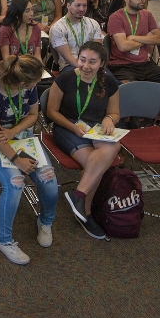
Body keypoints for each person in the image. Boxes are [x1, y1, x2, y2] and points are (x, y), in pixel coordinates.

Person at [0, 54, 57, 264]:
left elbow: (32, 115)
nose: (38, 84)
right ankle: (4, 240)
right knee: (15, 183)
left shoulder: (28, 88)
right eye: (36, 81)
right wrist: (17, 160)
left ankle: (45, 222)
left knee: (49, 179)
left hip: (18, 136)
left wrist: (14, 131)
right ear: (21, 83)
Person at [47, 41, 121, 240]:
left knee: (114, 145)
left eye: (93, 62)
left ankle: (78, 195)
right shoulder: (66, 78)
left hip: (95, 128)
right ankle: (85, 213)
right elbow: (51, 112)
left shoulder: (109, 81)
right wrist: (73, 127)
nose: (86, 66)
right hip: (67, 127)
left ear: (102, 64)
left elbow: (115, 112)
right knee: (95, 163)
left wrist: (109, 119)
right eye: (82, 60)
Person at [107, 0, 160, 118]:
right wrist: (147, 38)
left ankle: (156, 120)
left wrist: (134, 37)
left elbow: (159, 39)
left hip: (145, 63)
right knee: (128, 91)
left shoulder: (147, 14)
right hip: (122, 65)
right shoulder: (116, 17)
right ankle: (129, 122)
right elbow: (123, 46)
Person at [49, 0, 103, 71]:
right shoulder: (58, 28)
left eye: (84, 5)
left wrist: (92, 67)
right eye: (78, 5)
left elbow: (97, 51)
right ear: (68, 5)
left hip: (92, 65)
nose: (81, 9)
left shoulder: (93, 24)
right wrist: (85, 68)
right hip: (69, 66)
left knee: (111, 81)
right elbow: (68, 58)